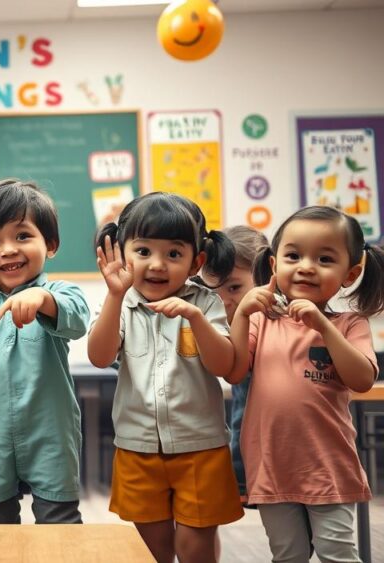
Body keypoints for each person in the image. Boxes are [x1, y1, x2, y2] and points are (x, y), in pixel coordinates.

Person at [88, 191, 242, 563]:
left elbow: (224, 366)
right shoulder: (121, 301)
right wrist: (113, 295)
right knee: (153, 550)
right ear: (123, 253)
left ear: (195, 262)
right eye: (143, 251)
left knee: (195, 547)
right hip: (137, 448)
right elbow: (99, 356)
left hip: (200, 447)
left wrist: (195, 318)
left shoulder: (205, 302)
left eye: (173, 254)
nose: (157, 264)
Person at [228, 206, 383, 562]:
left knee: (337, 553)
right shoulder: (262, 322)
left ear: (351, 273)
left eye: (324, 258)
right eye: (293, 255)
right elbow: (233, 371)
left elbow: (361, 379)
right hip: (272, 466)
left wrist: (323, 327)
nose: (306, 266)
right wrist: (240, 314)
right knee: (287, 555)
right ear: (273, 265)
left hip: (328, 466)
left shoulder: (349, 323)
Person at [0, 179, 90, 524]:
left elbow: (78, 320)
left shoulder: (60, 292)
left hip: (51, 434)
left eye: (22, 236)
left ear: (49, 244)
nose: (8, 250)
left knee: (60, 523)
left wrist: (42, 299)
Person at [201, 225, 268, 505]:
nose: (224, 301)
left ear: (267, 273)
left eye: (234, 287)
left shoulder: (288, 319)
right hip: (250, 447)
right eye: (212, 292)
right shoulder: (227, 326)